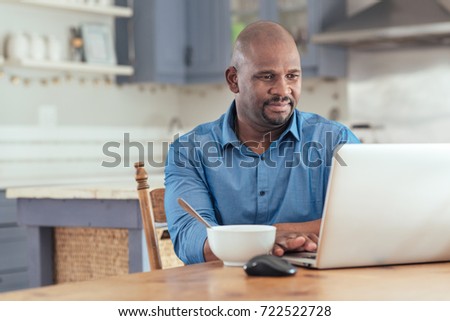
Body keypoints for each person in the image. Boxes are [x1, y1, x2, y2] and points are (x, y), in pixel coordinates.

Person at [164, 21, 360, 264]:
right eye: (267, 77)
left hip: (317, 293)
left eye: (292, 76)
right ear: (233, 80)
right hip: (225, 296)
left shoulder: (337, 141)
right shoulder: (189, 152)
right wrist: (269, 240)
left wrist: (278, 231)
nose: (282, 90)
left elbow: (366, 220)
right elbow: (192, 240)